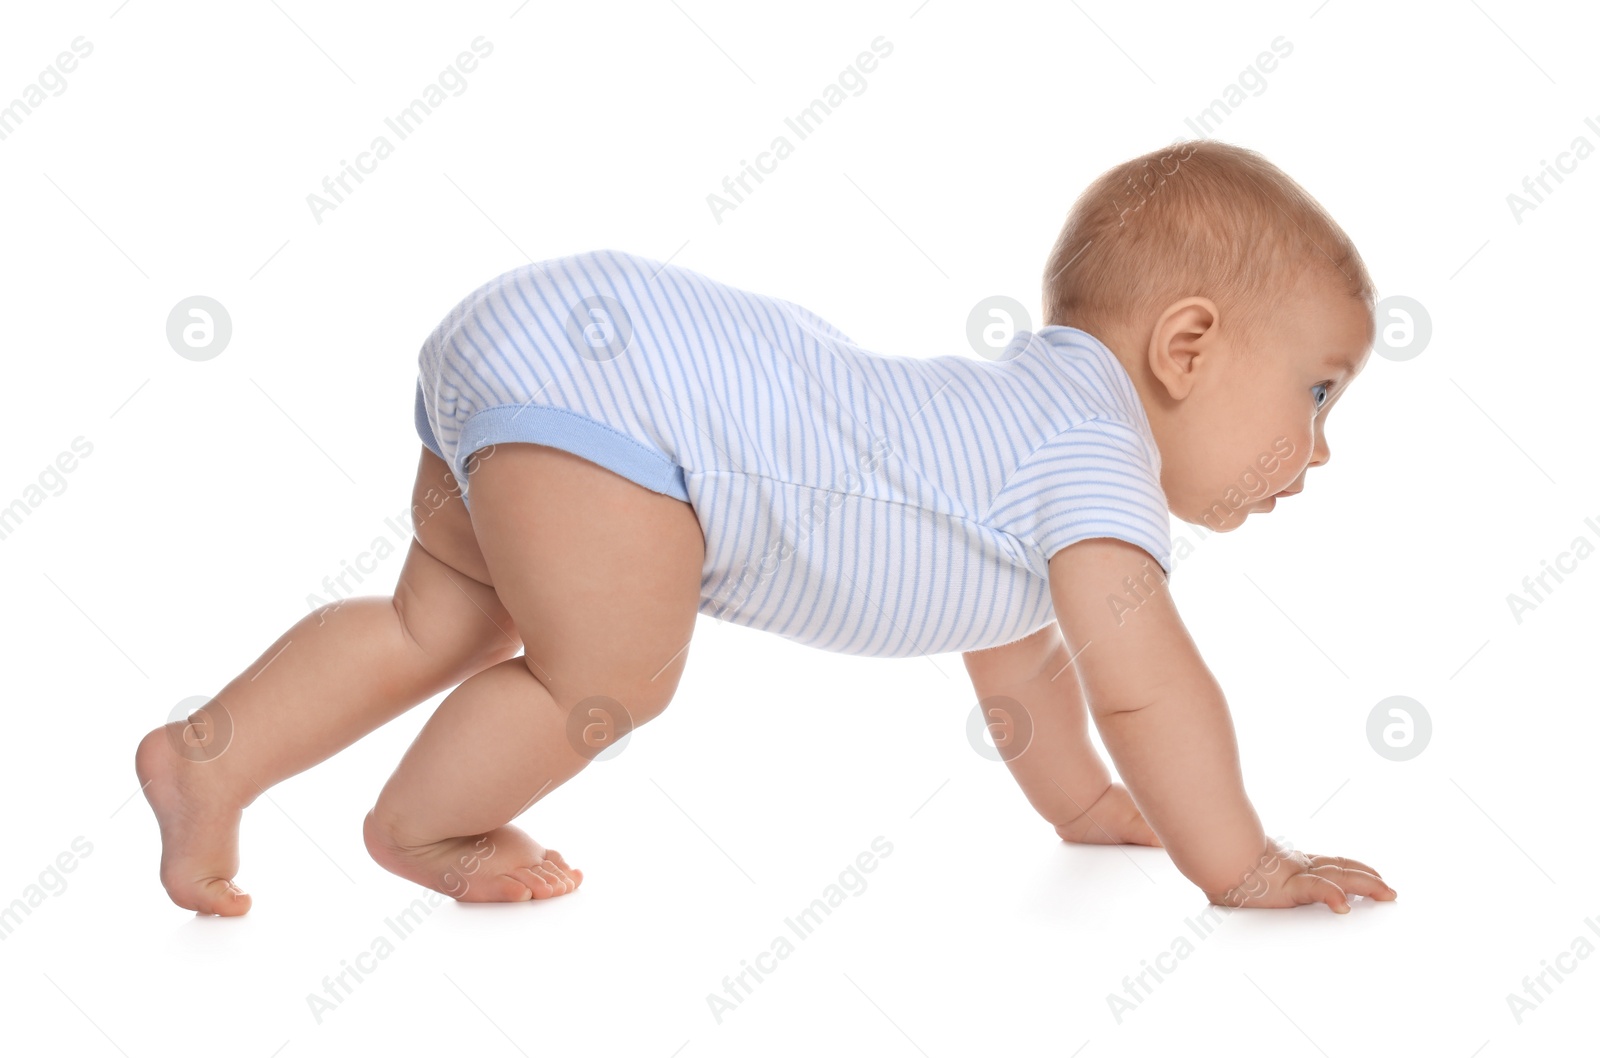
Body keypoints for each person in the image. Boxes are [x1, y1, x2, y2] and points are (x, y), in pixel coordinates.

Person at [136, 139, 1397, 917]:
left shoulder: (1024, 444)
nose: (1322, 445)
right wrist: (1240, 864)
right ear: (1185, 346)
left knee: (443, 615)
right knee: (612, 669)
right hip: (628, 394)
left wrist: (1077, 808)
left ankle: (210, 757)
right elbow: (1149, 690)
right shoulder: (1096, 455)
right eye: (1317, 389)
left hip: (542, 347)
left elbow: (1019, 658)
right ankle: (422, 825)